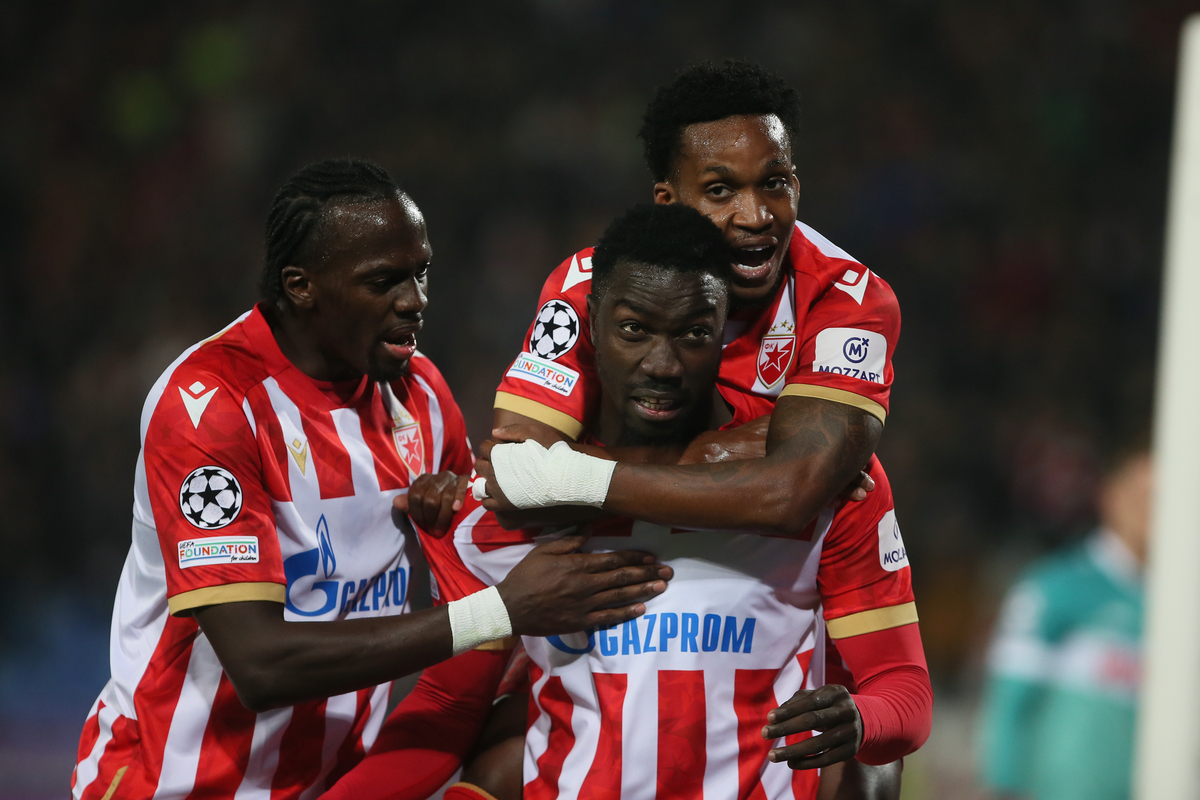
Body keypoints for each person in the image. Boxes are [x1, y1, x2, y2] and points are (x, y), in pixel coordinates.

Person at [70, 159, 672, 799]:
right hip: (172, 784)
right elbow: (259, 663)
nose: (414, 301)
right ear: (301, 286)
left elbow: (479, 604)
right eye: (384, 281)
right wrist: (498, 609)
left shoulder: (422, 397)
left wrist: (460, 533)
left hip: (333, 781)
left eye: (421, 274)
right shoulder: (212, 406)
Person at [414, 204, 931, 800]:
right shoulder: (511, 509)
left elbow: (904, 692)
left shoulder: (830, 489)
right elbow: (452, 707)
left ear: (723, 332)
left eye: (692, 334)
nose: (662, 366)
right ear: (591, 324)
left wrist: (864, 720)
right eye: (634, 330)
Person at [478, 59, 900, 538]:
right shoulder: (594, 283)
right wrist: (716, 454)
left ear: (796, 186)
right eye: (720, 190)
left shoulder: (847, 298)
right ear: (669, 202)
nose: (755, 215)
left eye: (774, 183)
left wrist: (573, 472)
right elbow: (512, 484)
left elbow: (788, 496)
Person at [976, 443, 1151, 800]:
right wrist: (1003, 786)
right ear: (1111, 496)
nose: (1154, 511)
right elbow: (1010, 703)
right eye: (1143, 495)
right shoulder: (1054, 589)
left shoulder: (1179, 608)